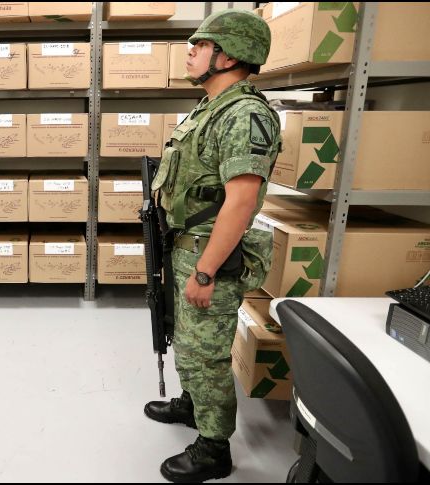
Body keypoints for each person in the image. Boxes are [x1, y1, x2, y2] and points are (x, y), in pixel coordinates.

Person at [144, 9, 281, 483]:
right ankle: (192, 404)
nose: (190, 50)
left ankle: (214, 447)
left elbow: (240, 205)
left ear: (230, 56)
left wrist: (205, 272)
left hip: (210, 255)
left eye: (201, 45)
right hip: (187, 245)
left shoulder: (246, 115)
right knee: (186, 338)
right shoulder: (211, 107)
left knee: (208, 351)